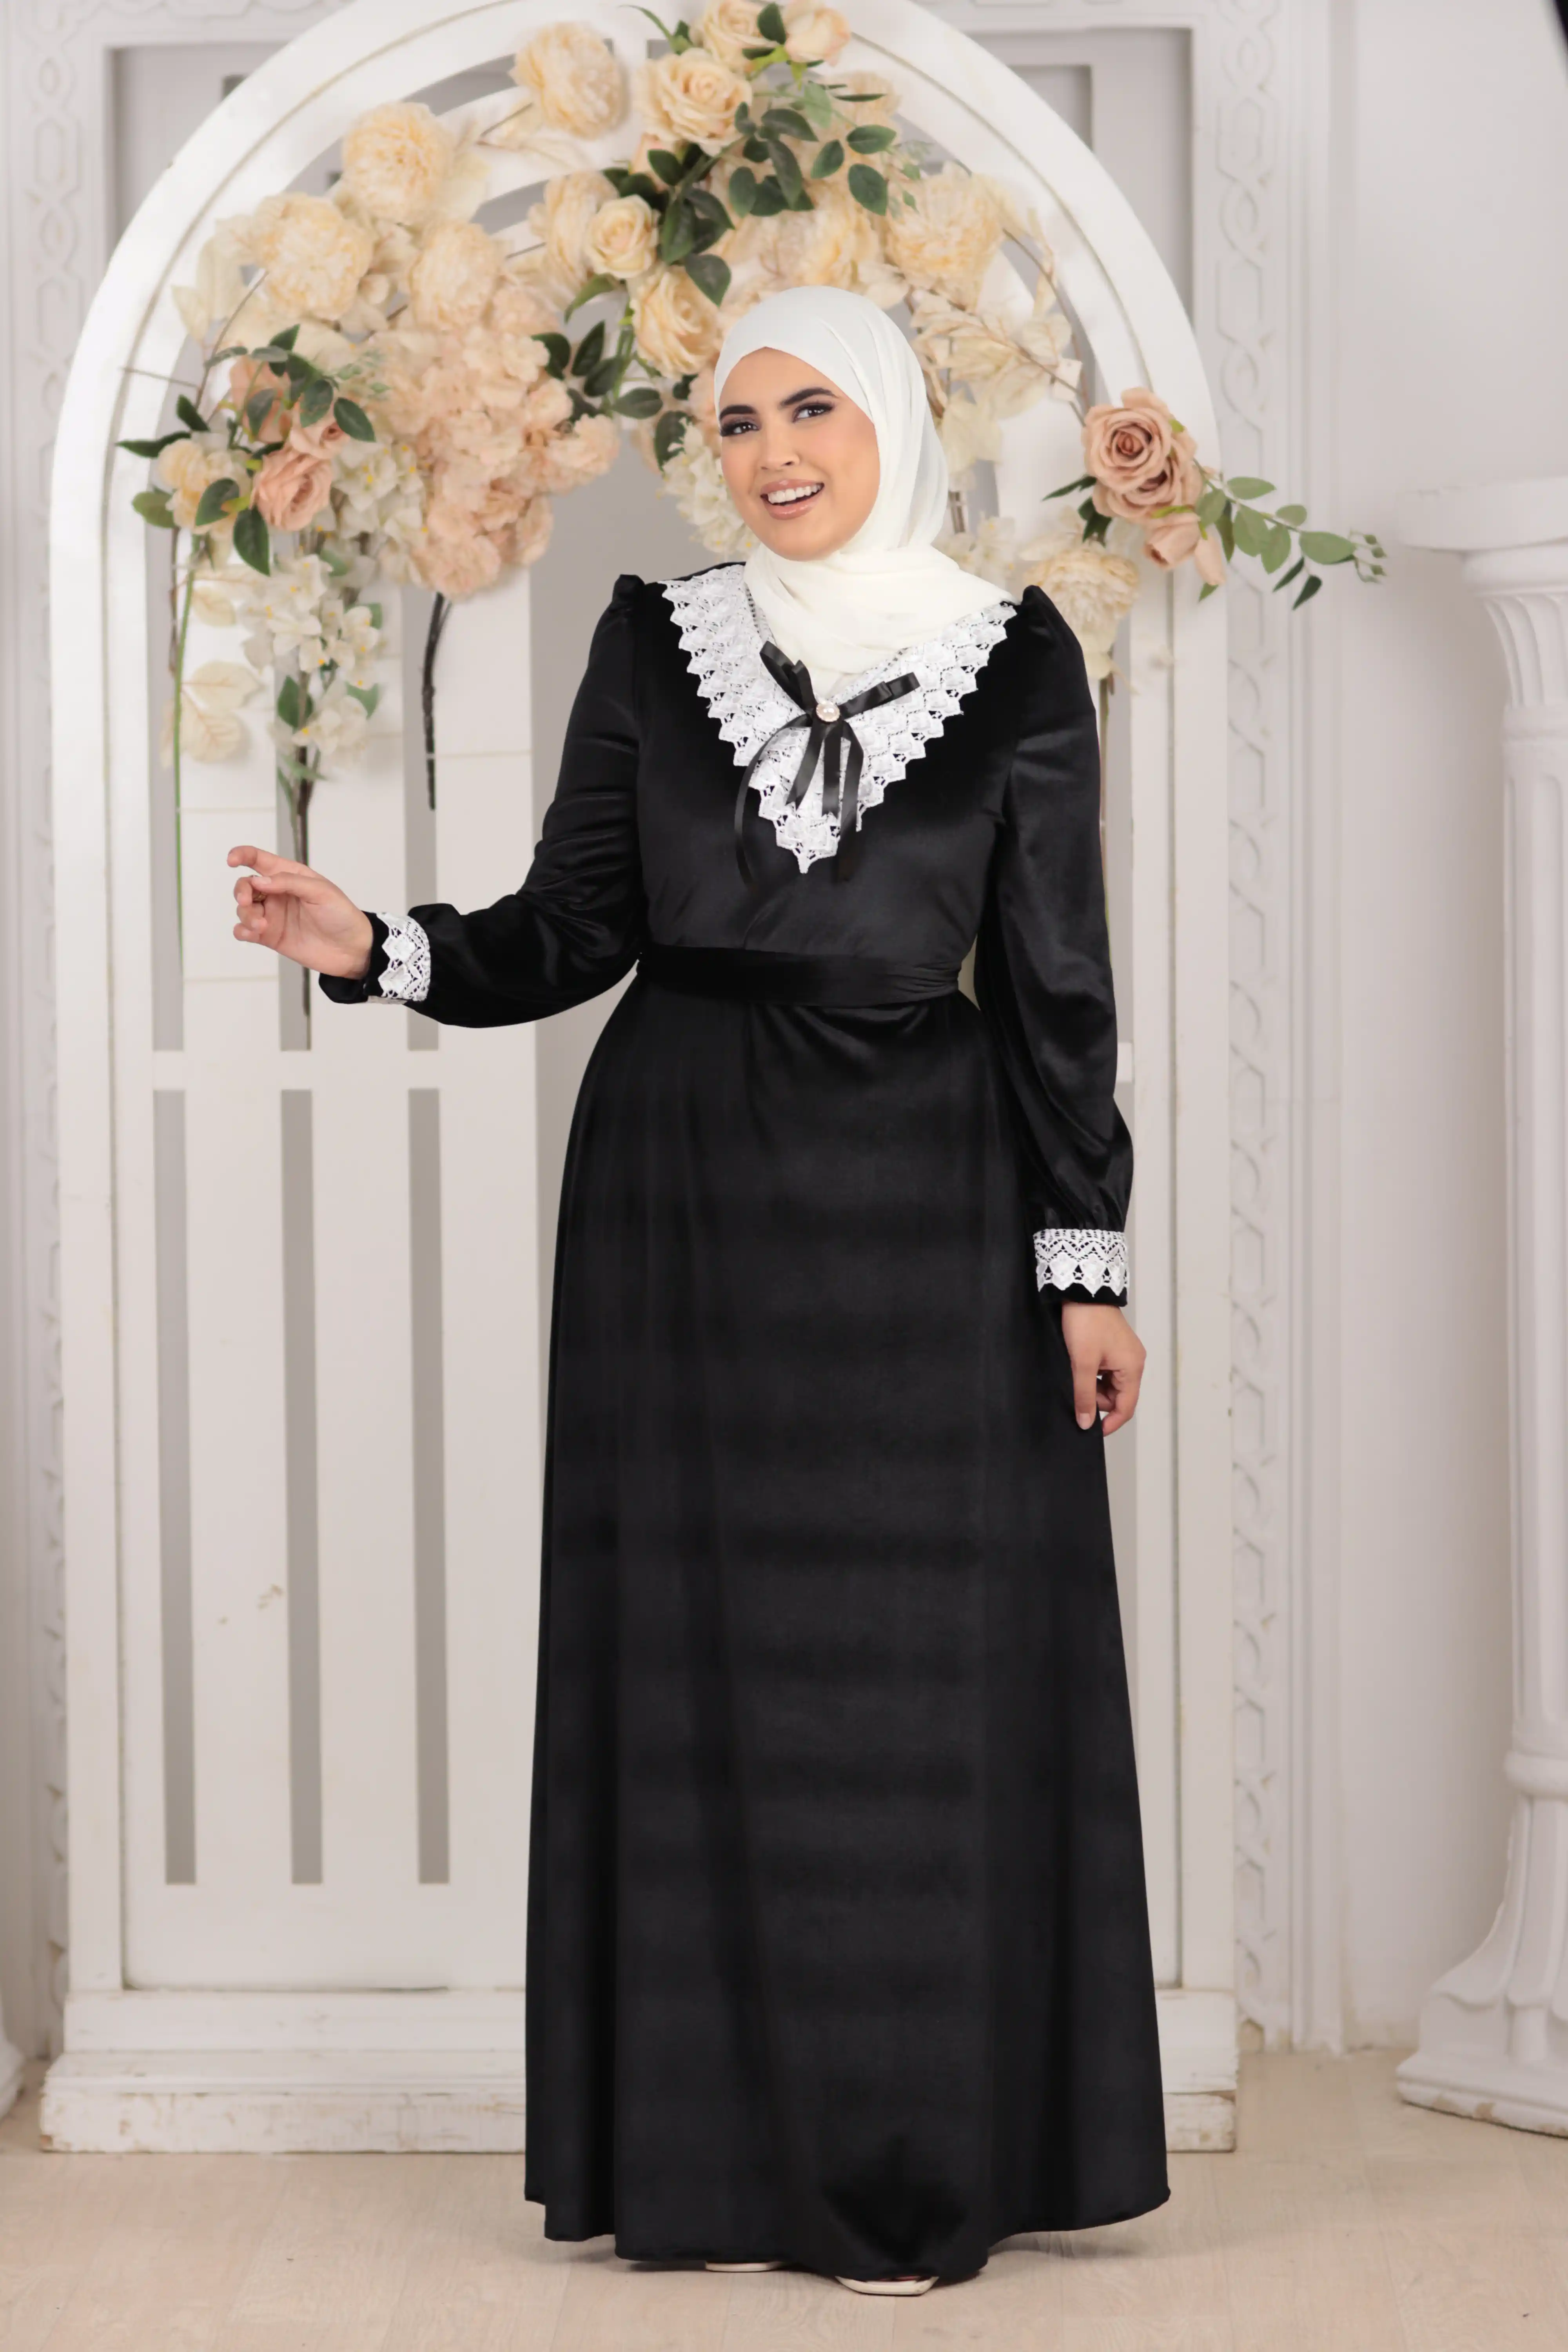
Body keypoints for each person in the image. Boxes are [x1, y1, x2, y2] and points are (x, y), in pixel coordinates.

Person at [228, 285, 1168, 2294]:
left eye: (809, 407)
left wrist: (1084, 1263)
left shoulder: (1016, 658)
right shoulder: (656, 640)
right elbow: (575, 925)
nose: (772, 453)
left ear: (891, 417)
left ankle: (907, 2172)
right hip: (681, 1204)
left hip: (928, 1206)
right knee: (698, 1671)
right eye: (735, 422)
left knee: (912, 1688)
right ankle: (713, 2162)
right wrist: (374, 945)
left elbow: (1058, 986)